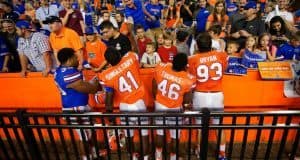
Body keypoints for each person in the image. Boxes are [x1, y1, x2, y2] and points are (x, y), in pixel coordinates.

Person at [98, 47, 150, 160]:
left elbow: (109, 98)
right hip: (139, 103)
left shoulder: (106, 75)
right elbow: (135, 52)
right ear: (119, 54)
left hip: (124, 105)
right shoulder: (130, 58)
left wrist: (109, 115)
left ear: (107, 61)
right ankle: (145, 158)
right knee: (144, 134)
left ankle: (132, 157)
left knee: (128, 135)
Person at [54, 47, 99, 160]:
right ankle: (86, 157)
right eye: (75, 57)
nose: (77, 59)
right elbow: (90, 89)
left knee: (88, 133)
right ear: (69, 59)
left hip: (75, 105)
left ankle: (93, 155)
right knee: (84, 136)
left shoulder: (60, 70)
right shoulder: (69, 73)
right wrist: (96, 83)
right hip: (76, 107)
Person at [188, 32, 227, 159]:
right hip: (216, 94)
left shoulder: (192, 59)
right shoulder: (221, 54)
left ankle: (199, 151)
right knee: (219, 126)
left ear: (197, 46)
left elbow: (192, 78)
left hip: (200, 94)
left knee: (200, 126)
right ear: (211, 44)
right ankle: (222, 154)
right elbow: (224, 69)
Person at [152, 53, 196, 160]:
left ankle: (158, 155)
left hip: (160, 105)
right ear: (185, 65)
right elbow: (187, 100)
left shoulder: (162, 68)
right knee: (174, 136)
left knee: (159, 133)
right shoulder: (188, 78)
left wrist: (157, 99)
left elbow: (154, 84)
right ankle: (173, 157)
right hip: (175, 108)